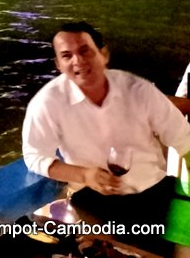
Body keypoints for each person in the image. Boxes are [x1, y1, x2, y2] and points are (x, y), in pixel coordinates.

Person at [22, 21, 190, 253]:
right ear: (58, 64)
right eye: (66, 55)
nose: (77, 61)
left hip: (155, 192)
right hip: (97, 200)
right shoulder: (47, 104)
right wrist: (83, 174)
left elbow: (183, 139)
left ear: (103, 54)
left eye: (85, 51)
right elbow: (34, 155)